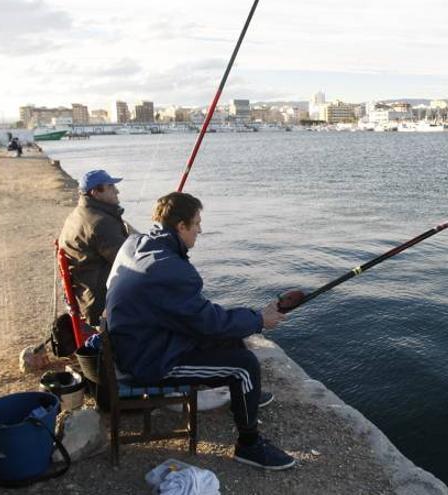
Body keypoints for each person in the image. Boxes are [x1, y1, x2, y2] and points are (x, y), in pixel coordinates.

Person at [106, 192, 295, 470]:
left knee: (233, 342)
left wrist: (249, 319)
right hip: (147, 362)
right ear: (180, 226)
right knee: (244, 365)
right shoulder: (169, 269)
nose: (200, 230)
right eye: (196, 224)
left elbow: (196, 315)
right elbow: (209, 323)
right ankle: (249, 445)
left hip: (138, 340)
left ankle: (244, 397)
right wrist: (259, 320)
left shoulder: (135, 244)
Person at [58, 170, 129, 326]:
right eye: (111, 187)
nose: (117, 191)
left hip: (85, 294)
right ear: (95, 192)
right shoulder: (100, 223)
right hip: (100, 302)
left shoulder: (78, 214)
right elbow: (129, 262)